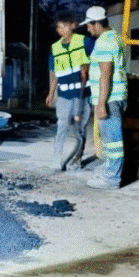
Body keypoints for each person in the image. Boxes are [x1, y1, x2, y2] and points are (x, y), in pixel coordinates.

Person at [81, 6, 128, 189]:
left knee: (113, 141)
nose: (88, 29)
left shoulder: (104, 42)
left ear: (96, 24)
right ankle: (109, 171)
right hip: (115, 96)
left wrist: (101, 103)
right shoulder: (114, 37)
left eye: (89, 25)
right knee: (109, 140)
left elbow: (105, 74)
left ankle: (111, 179)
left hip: (109, 98)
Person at [46, 10, 95, 171]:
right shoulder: (54, 48)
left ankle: (76, 160)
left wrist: (87, 67)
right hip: (64, 96)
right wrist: (51, 93)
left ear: (72, 26)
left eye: (64, 27)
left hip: (83, 94)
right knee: (62, 127)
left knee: (80, 128)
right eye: (58, 28)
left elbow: (99, 61)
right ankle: (57, 159)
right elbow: (53, 74)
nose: (61, 30)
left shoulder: (85, 42)